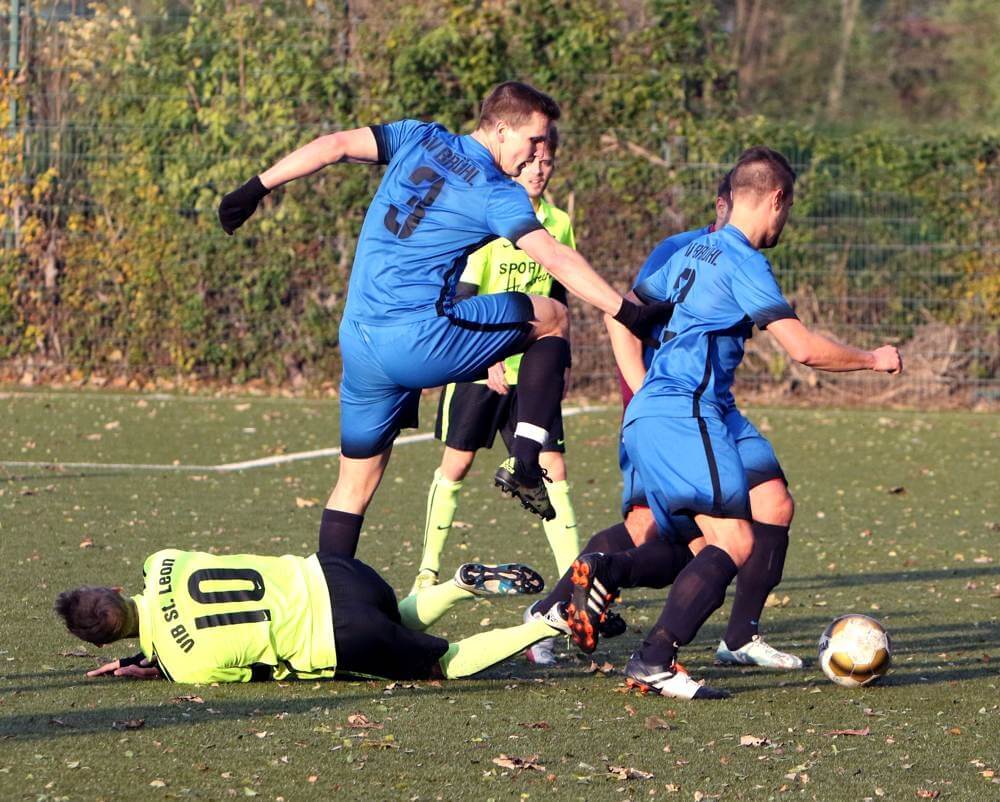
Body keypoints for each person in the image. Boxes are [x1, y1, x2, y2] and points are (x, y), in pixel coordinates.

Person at [218, 81, 670, 559]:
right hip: (419, 339)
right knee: (554, 317)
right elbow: (554, 258)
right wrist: (627, 313)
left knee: (354, 485)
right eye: (534, 139)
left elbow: (335, 146)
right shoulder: (499, 192)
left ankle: (330, 596)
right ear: (500, 129)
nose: (539, 152)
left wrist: (255, 188)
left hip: (359, 339)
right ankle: (524, 458)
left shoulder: (419, 136)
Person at [568, 146, 902, 699]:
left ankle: (610, 571)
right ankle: (654, 657)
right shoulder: (743, 260)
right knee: (736, 540)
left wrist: (643, 387)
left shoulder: (690, 251)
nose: (784, 222)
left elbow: (626, 310)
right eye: (787, 209)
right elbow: (803, 350)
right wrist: (873, 358)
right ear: (776, 199)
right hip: (686, 412)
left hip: (651, 412)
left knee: (692, 547)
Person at [413, 126, 578, 596]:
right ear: (516, 162)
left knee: (553, 468)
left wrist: (558, 365)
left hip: (533, 373)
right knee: (457, 464)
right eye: (532, 162)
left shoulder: (559, 223)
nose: (539, 170)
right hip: (480, 363)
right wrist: (485, 359)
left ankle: (574, 580)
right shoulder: (489, 217)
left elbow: (560, 295)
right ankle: (427, 569)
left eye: (547, 163)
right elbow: (464, 295)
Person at [56, 552, 564, 684]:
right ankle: (457, 586)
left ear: (103, 644)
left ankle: (551, 622)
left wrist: (153, 662)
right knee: (398, 620)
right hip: (336, 574)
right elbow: (169, 606)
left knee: (443, 665)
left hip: (335, 637)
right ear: (116, 589)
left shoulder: (187, 669)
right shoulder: (161, 561)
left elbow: (247, 668)